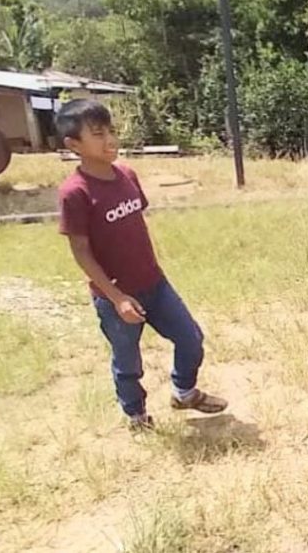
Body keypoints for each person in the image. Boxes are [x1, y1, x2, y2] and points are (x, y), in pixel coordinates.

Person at [56, 99, 227, 431]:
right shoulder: (74, 193)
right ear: (73, 145)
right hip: (115, 297)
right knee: (127, 362)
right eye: (97, 134)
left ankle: (184, 391)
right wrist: (117, 297)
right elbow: (80, 251)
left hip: (155, 284)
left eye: (111, 131)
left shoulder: (128, 175)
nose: (110, 140)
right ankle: (136, 415)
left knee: (190, 338)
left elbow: (135, 225)